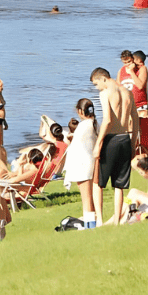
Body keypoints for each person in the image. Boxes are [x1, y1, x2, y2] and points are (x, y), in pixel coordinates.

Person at [90, 67, 139, 226]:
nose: (97, 88)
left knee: (98, 182)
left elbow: (107, 120)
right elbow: (136, 120)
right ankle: (117, 221)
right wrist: (133, 143)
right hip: (125, 138)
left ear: (103, 78)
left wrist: (98, 143)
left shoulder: (105, 93)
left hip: (110, 139)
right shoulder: (127, 92)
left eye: (96, 84)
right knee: (120, 184)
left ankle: (100, 220)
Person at [63, 98, 100, 228]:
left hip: (83, 166)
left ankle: (90, 225)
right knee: (90, 196)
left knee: (86, 198)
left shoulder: (83, 126)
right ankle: (94, 221)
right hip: (91, 163)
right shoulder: (94, 124)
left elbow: (75, 146)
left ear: (80, 111)